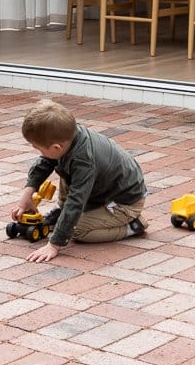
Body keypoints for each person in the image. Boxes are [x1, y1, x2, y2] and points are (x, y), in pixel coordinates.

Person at [13, 97, 148, 265]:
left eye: (38, 148)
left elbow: (76, 201)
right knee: (65, 170)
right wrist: (26, 196)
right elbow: (45, 162)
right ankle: (63, 213)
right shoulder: (68, 137)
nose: (38, 152)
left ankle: (133, 226)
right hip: (100, 190)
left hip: (123, 203)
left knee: (76, 231)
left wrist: (54, 244)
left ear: (56, 147)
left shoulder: (84, 161)